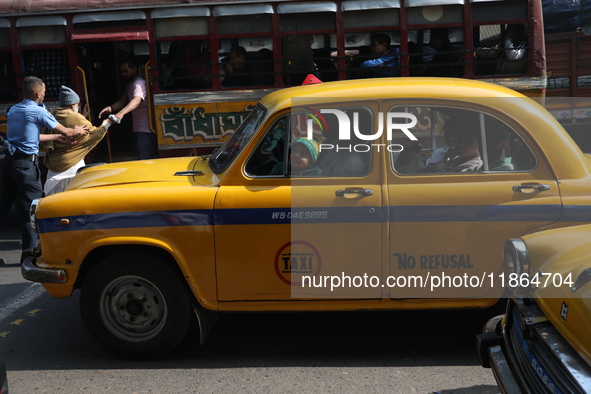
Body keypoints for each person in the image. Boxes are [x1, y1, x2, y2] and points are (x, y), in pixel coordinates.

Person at [0, 76, 88, 262]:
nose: (45, 95)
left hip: (8, 164)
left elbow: (30, 137)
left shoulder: (15, 110)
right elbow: (68, 131)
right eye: (45, 92)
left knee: (3, 207)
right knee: (30, 211)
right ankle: (30, 254)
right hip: (25, 166)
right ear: (38, 93)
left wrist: (56, 138)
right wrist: (78, 130)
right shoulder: (38, 112)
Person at [44, 86, 113, 195]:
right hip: (72, 166)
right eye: (78, 105)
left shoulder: (53, 114)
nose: (79, 107)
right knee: (73, 196)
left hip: (53, 167)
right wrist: (107, 123)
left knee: (56, 199)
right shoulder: (76, 118)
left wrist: (81, 116)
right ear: (72, 105)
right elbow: (95, 134)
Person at [98, 58, 157, 160]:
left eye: (126, 71)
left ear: (135, 69)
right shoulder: (131, 84)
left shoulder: (139, 83)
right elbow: (122, 101)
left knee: (146, 159)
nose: (123, 74)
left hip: (146, 129)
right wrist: (110, 108)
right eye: (122, 72)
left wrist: (121, 113)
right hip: (140, 128)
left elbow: (137, 100)